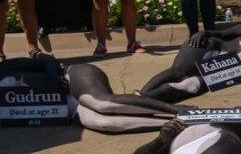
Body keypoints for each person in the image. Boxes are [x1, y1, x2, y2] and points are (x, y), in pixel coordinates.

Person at [0, 56, 187, 133]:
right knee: (103, 123)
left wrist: (53, 77)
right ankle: (175, 125)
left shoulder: (5, 67)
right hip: (64, 106)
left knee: (103, 104)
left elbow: (45, 60)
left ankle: (179, 110)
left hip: (72, 76)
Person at [139, 22, 241, 103]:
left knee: (190, 86)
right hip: (206, 47)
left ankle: (147, 99)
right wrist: (203, 32)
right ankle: (141, 95)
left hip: (220, 69)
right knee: (179, 72)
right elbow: (223, 33)